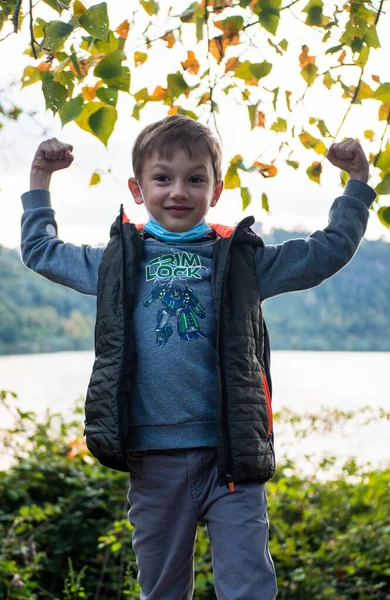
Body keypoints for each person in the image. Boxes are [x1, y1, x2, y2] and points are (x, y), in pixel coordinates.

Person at [20, 114, 375, 600]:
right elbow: (39, 248)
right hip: (152, 460)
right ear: (138, 188)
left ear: (217, 188)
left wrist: (357, 183)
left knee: (249, 588)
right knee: (163, 591)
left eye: (195, 179)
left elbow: (326, 251)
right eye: (162, 178)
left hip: (231, 459)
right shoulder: (116, 262)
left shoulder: (242, 260)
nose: (178, 191)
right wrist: (40, 179)